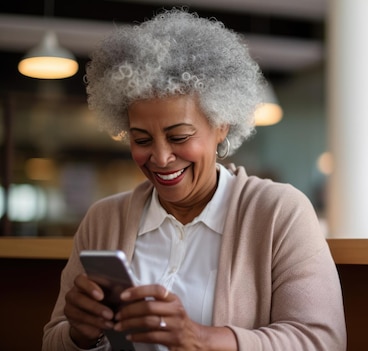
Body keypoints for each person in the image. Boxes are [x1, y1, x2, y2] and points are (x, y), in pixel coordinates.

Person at [42, 9, 346, 351]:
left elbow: (322, 341)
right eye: (141, 140)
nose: (160, 157)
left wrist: (201, 339)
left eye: (179, 136)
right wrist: (80, 335)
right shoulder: (103, 220)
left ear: (221, 126)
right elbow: (53, 339)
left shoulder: (279, 213)